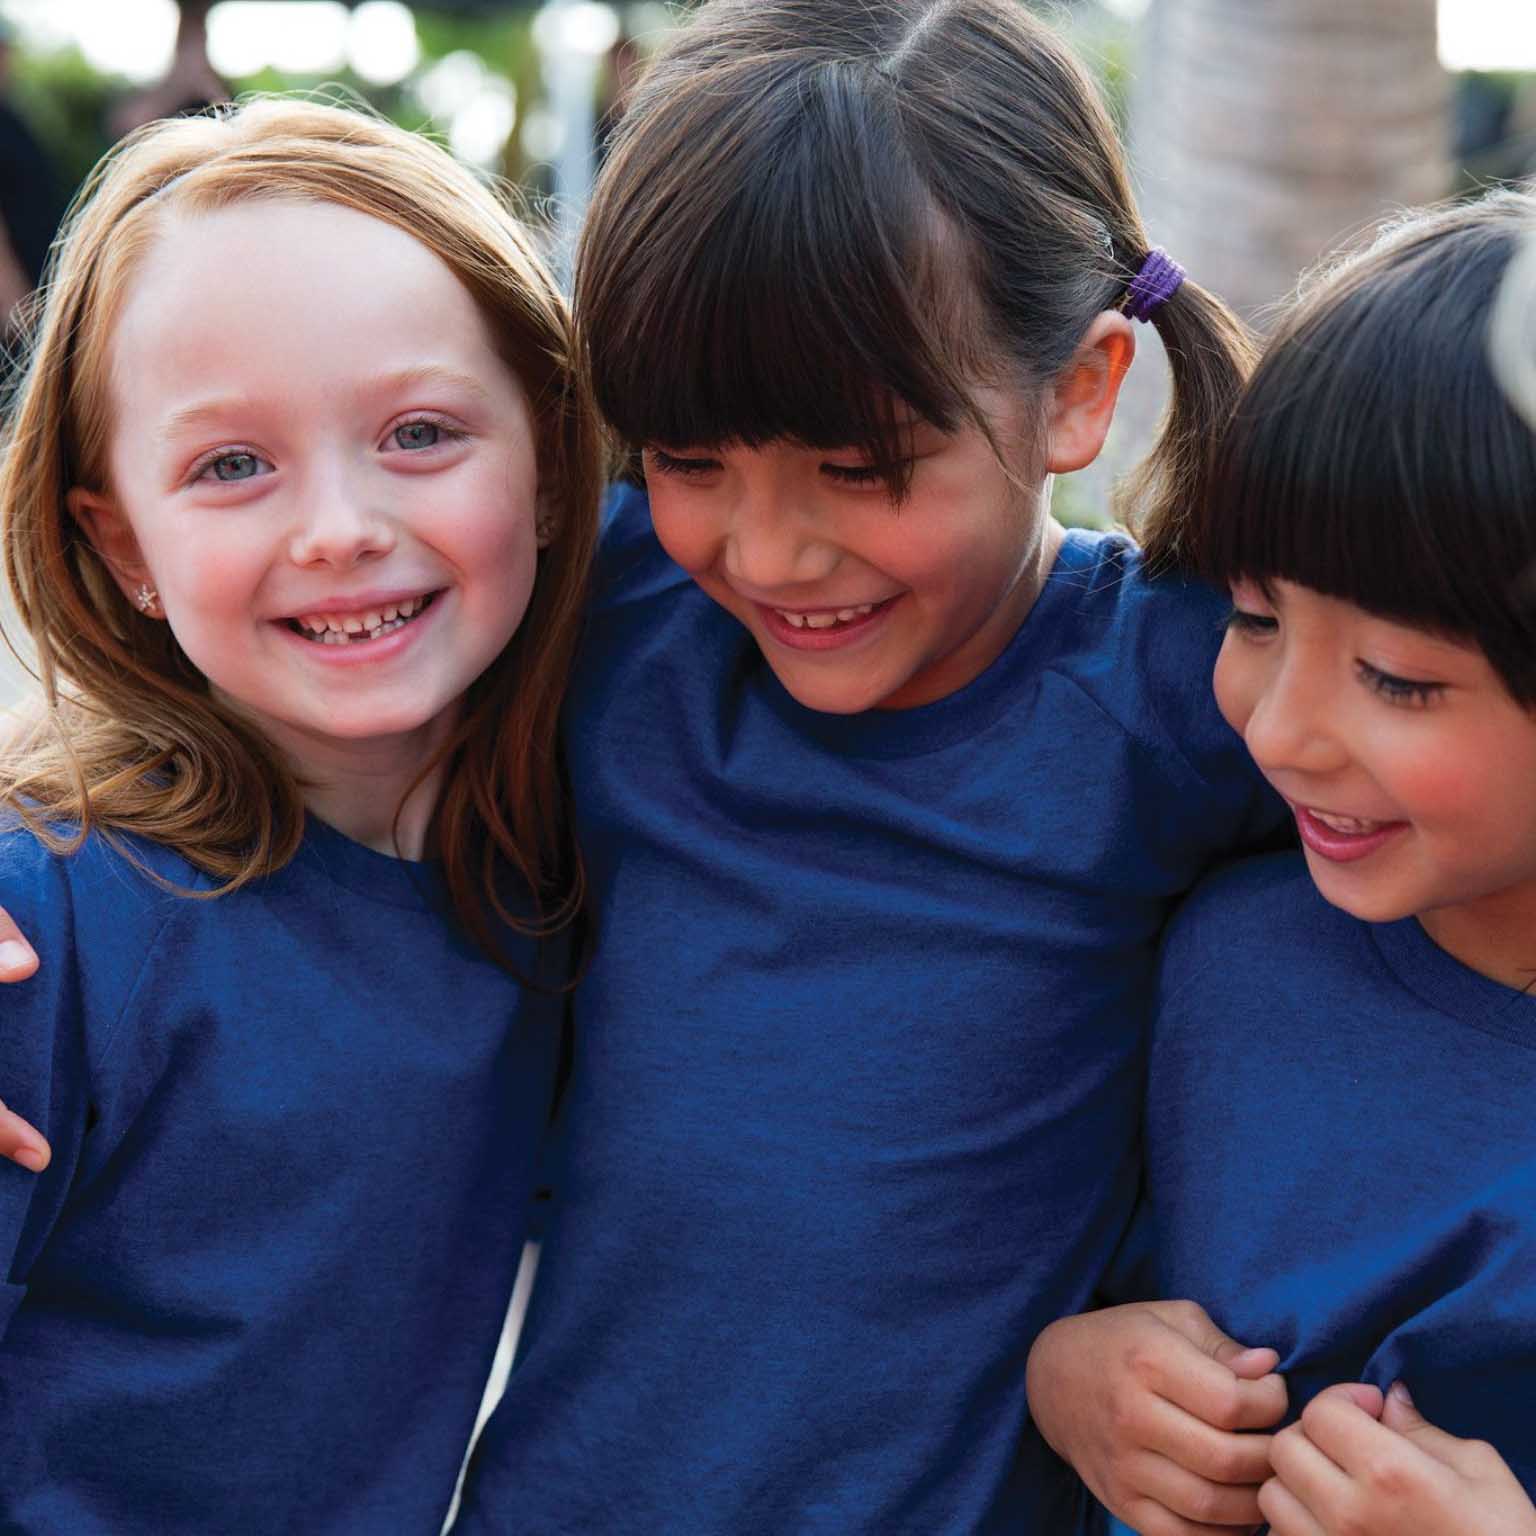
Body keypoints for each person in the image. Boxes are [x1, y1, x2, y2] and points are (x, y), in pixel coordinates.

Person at [0, 4, 1287, 1530]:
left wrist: (1101, 1331)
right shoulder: (623, 618)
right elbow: (301, 664)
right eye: (687, 462)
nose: (768, 548)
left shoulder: (1188, 684)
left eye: (863, 469)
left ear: (1081, 392)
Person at [0, 97, 599, 1530]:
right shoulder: (48, 922)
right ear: (122, 541)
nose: (337, 525)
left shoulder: (563, 874)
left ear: (554, 460)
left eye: (419, 432)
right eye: (231, 465)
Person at [1024, 193, 1536, 1536]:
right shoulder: (1226, 958)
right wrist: (1071, 1377)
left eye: (1396, 677)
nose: (1283, 727)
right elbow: (1098, 1290)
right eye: (1255, 617)